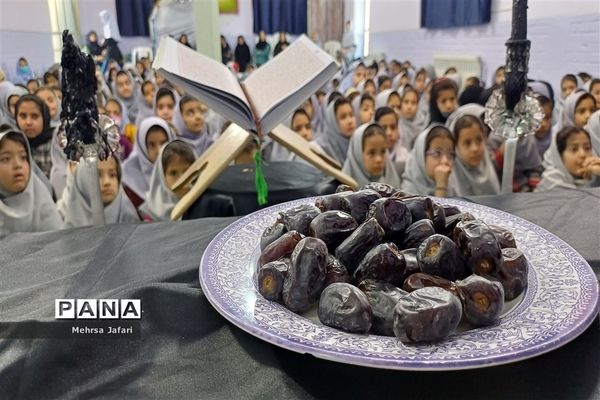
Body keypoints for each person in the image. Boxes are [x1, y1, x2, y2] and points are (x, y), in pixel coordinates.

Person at [0, 125, 62, 235]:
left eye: (23, 157)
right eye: (6, 159)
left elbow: (60, 246)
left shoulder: (41, 202)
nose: (18, 165)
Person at [58, 155, 140, 227]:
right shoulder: (70, 232)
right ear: (82, 181)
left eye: (112, 175)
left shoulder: (131, 221)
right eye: (98, 175)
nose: (107, 182)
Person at [446, 104, 500, 196]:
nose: (475, 149)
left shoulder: (490, 168)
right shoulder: (448, 181)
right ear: (455, 147)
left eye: (479, 140)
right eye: (467, 143)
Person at [122, 117, 176, 207]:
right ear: (142, 146)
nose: (159, 151)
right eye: (151, 145)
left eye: (163, 143)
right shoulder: (129, 176)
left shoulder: (178, 167)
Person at [139, 140, 196, 221]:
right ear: (162, 176)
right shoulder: (152, 213)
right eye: (173, 173)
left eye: (187, 171)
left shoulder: (205, 203)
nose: (182, 179)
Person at [536, 127, 600, 191]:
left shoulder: (593, 177)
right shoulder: (552, 185)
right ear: (559, 156)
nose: (582, 154)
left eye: (587, 148)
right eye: (574, 149)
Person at [401, 124, 456, 197]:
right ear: (421, 157)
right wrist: (441, 188)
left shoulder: (452, 187)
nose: (445, 161)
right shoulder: (407, 195)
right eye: (437, 153)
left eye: (450, 154)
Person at [342, 123, 401, 188]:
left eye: (383, 151)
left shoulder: (392, 183)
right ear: (358, 154)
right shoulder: (345, 190)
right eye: (372, 153)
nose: (379, 159)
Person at [15, 94, 55, 179]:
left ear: (44, 117)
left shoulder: (56, 144)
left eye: (34, 116)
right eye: (23, 116)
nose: (28, 122)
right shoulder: (13, 144)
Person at [313, 98, 356, 165]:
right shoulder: (319, 149)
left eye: (351, 115)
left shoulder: (357, 145)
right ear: (333, 121)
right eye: (343, 117)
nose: (350, 121)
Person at [375, 106, 408, 176]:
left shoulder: (405, 156)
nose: (389, 133)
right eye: (383, 128)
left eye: (393, 127)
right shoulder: (373, 158)